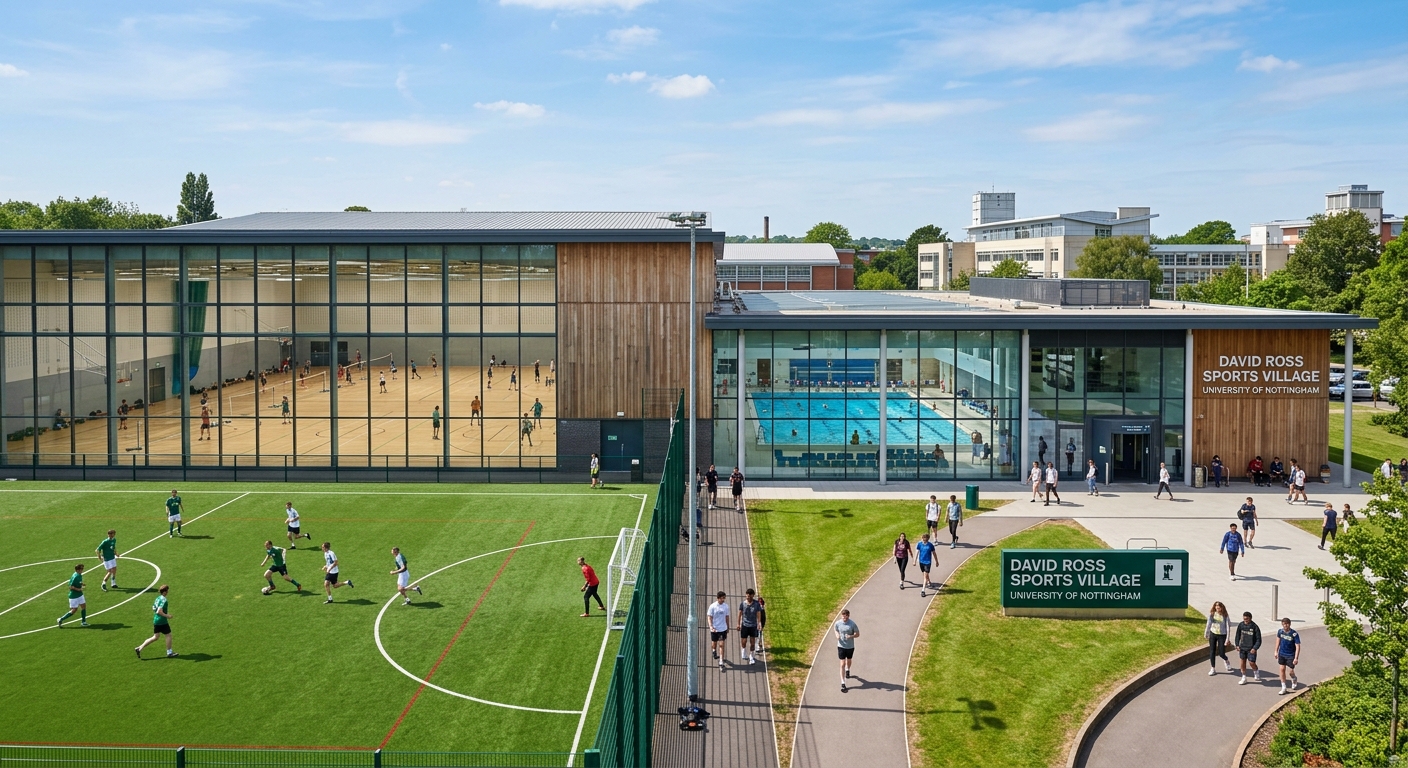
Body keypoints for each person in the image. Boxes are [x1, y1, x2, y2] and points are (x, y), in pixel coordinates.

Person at [134, 585, 175, 658]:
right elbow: (159, 611)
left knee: (155, 637)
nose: (168, 592)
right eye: (167, 590)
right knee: (168, 635)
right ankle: (169, 652)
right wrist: (167, 616)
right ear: (165, 592)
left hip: (156, 620)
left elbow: (153, 608)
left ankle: (139, 648)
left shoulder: (157, 598)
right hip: (162, 621)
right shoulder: (163, 599)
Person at [834, 608, 859, 692]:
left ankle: (848, 669)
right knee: (842, 664)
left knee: (849, 660)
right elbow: (836, 630)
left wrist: (851, 636)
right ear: (841, 616)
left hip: (850, 646)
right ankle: (843, 683)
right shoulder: (838, 623)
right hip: (841, 646)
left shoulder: (852, 624)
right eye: (843, 617)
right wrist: (837, 635)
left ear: (848, 616)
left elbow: (857, 634)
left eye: (846, 617)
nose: (844, 618)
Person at [1204, 601, 1233, 674]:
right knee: (1212, 651)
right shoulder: (1212, 614)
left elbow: (1227, 627)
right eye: (1216, 607)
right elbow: (1208, 623)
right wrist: (1206, 633)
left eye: (1219, 607)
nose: (1217, 608)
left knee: (1221, 653)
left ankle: (1226, 660)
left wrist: (1227, 639)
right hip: (1213, 634)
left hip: (1222, 635)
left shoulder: (1225, 615)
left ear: (1221, 608)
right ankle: (1213, 668)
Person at [1234, 611, 1262, 684]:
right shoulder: (1241, 625)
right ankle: (1243, 677)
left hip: (1251, 649)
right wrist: (1237, 645)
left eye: (1247, 619)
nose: (1245, 620)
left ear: (1250, 618)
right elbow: (1237, 636)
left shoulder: (1254, 627)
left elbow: (1259, 639)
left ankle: (1256, 672)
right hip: (1242, 648)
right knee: (1242, 662)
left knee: (1251, 662)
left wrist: (1255, 648)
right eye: (1244, 619)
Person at [737, 589, 764, 665]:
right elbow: (740, 614)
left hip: (753, 626)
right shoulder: (743, 604)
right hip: (745, 625)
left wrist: (759, 623)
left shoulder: (756, 604)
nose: (748, 597)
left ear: (753, 595)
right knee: (744, 641)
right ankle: (744, 651)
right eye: (747, 595)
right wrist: (738, 624)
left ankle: (751, 656)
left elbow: (758, 614)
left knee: (752, 642)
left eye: (749, 595)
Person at [1275, 618, 1301, 694]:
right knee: (1282, 669)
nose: (1285, 625)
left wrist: (1296, 658)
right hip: (1282, 653)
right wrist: (1276, 651)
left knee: (1290, 671)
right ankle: (1283, 687)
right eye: (1284, 624)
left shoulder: (1294, 634)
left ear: (1290, 624)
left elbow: (1298, 646)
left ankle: (1294, 678)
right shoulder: (1280, 632)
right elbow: (1278, 641)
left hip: (1290, 655)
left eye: (1287, 624)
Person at [57, 563, 87, 627]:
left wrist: (81, 584)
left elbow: (78, 582)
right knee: (73, 610)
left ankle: (83, 622)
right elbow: (70, 586)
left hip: (80, 595)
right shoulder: (75, 576)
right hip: (74, 596)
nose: (82, 570)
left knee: (83, 606)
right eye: (81, 569)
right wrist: (78, 589)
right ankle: (61, 619)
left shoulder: (79, 575)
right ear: (77, 570)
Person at [707, 591, 731, 669]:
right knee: (714, 643)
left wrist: (727, 626)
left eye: (724, 598)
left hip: (722, 628)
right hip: (715, 629)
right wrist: (711, 626)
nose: (723, 600)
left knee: (721, 644)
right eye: (721, 598)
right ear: (718, 598)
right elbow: (709, 617)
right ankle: (714, 650)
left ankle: (721, 661)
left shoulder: (726, 606)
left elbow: (727, 617)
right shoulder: (712, 606)